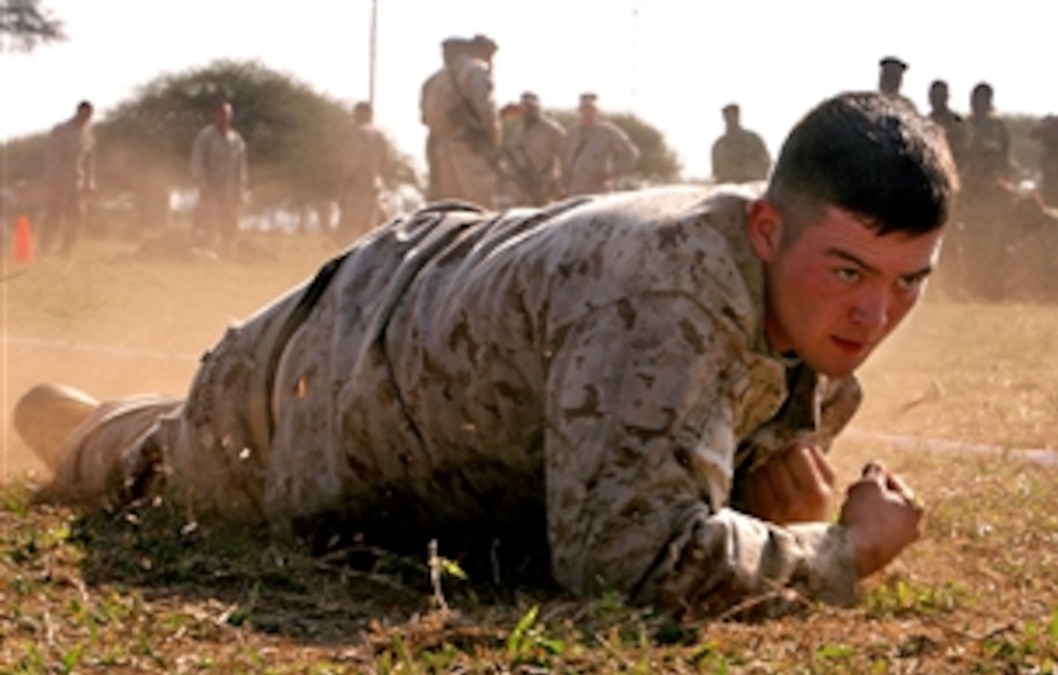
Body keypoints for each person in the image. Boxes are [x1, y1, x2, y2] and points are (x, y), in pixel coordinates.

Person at [14, 92, 955, 618]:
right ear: (764, 227)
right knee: (156, 465)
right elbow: (625, 561)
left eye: (909, 280)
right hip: (318, 386)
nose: (875, 311)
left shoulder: (814, 344)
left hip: (413, 324)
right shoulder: (667, 298)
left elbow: (657, 473)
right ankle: (91, 428)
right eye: (847, 269)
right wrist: (837, 550)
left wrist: (753, 487)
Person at [420, 34, 500, 208]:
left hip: (442, 151)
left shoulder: (436, 79)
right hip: (470, 148)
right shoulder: (475, 70)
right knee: (480, 208)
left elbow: (425, 118)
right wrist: (494, 141)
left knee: (453, 210)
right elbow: (485, 108)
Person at [39, 101, 96, 258]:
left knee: (78, 216)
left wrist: (90, 182)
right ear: (78, 112)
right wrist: (54, 178)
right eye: (84, 113)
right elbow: (52, 156)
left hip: (76, 181)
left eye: (90, 114)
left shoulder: (88, 133)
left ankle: (66, 250)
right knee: (54, 215)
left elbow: (89, 160)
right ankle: (45, 248)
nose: (87, 117)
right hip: (59, 180)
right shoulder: (61, 131)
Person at [190, 101, 249, 253]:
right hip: (211, 190)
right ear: (215, 115)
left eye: (228, 114)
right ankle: (208, 253)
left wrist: (241, 189)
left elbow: (241, 167)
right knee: (209, 223)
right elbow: (198, 161)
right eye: (222, 114)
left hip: (230, 191)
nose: (225, 118)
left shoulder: (237, 140)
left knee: (231, 223)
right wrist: (202, 184)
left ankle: (228, 252)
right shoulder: (205, 137)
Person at [560, 93, 640, 197]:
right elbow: (563, 159)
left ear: (596, 112)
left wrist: (611, 174)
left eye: (591, 110)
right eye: (584, 109)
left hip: (597, 191)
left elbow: (630, 153)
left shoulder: (607, 132)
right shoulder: (571, 133)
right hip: (573, 190)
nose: (587, 113)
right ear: (579, 111)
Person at [338, 101, 392, 243]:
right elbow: (386, 162)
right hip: (375, 185)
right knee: (370, 227)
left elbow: (352, 163)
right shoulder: (381, 135)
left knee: (352, 228)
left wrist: (345, 182)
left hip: (358, 185)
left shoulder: (359, 133)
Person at [501, 92, 566, 206]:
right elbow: (508, 157)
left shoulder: (552, 130)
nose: (528, 111)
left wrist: (558, 183)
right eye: (525, 107)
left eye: (531, 107)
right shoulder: (517, 132)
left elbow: (567, 157)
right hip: (520, 189)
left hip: (544, 188)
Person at [961, 83, 1012, 196]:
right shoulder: (965, 124)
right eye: (974, 98)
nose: (975, 102)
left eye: (980, 99)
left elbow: (1003, 152)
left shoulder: (996, 125)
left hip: (991, 180)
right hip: (967, 179)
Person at [710, 103, 772, 184]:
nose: (731, 119)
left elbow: (765, 163)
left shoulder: (753, 140)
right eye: (728, 116)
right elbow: (716, 171)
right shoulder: (719, 145)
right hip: (728, 187)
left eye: (733, 116)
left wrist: (746, 171)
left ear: (738, 116)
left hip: (752, 186)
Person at [927, 80, 968, 170]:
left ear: (946, 97)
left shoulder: (957, 121)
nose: (936, 99)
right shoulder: (924, 123)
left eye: (939, 96)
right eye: (933, 96)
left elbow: (964, 151)